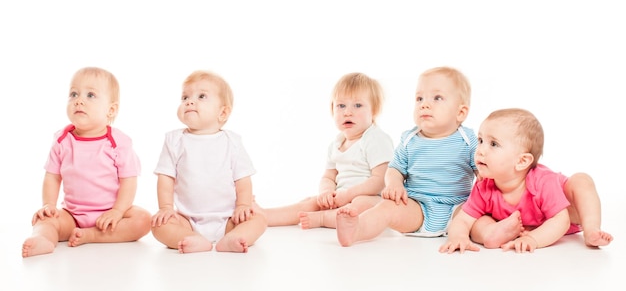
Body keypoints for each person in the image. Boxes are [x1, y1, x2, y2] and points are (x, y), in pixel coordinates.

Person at [439, 108, 613, 254]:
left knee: (581, 180)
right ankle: (492, 234)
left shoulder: (543, 182)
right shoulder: (484, 186)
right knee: (478, 219)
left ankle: (592, 230)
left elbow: (562, 221)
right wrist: (458, 237)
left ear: (522, 161)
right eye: (481, 140)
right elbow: (462, 220)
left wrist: (533, 239)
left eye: (493, 144)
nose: (480, 150)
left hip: (568, 213)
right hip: (526, 225)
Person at [336, 66, 478, 246]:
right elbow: (394, 169)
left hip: (459, 208)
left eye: (437, 98)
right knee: (387, 208)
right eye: (419, 98)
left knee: (483, 219)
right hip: (417, 207)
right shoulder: (409, 139)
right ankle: (357, 229)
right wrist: (394, 184)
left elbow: (484, 173)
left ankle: (501, 232)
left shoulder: (469, 140)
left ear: (461, 112)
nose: (424, 104)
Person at [22, 67, 151, 258]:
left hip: (110, 214)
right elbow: (52, 177)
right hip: (72, 215)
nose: (79, 100)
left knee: (143, 220)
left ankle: (91, 235)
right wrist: (48, 204)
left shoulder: (118, 143)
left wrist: (117, 211)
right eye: (73, 94)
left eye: (90, 95)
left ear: (111, 109)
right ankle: (44, 239)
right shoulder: (62, 140)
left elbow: (128, 181)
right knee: (46, 220)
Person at [150, 70, 267, 253]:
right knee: (158, 226)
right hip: (186, 220)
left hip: (229, 218)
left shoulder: (232, 142)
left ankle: (233, 237)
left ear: (222, 113)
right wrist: (165, 208)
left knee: (258, 219)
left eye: (201, 96)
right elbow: (165, 177)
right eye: (184, 97)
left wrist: (243, 206)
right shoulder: (174, 140)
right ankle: (191, 238)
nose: (189, 101)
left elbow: (242, 179)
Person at [259, 72, 394, 230]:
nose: (347, 112)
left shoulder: (375, 139)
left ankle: (323, 218)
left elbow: (380, 180)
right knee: (310, 201)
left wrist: (348, 195)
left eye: (358, 105)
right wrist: (326, 192)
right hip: (340, 197)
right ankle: (264, 216)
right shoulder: (336, 144)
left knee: (363, 204)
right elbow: (328, 176)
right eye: (341, 105)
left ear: (375, 111)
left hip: (369, 197)